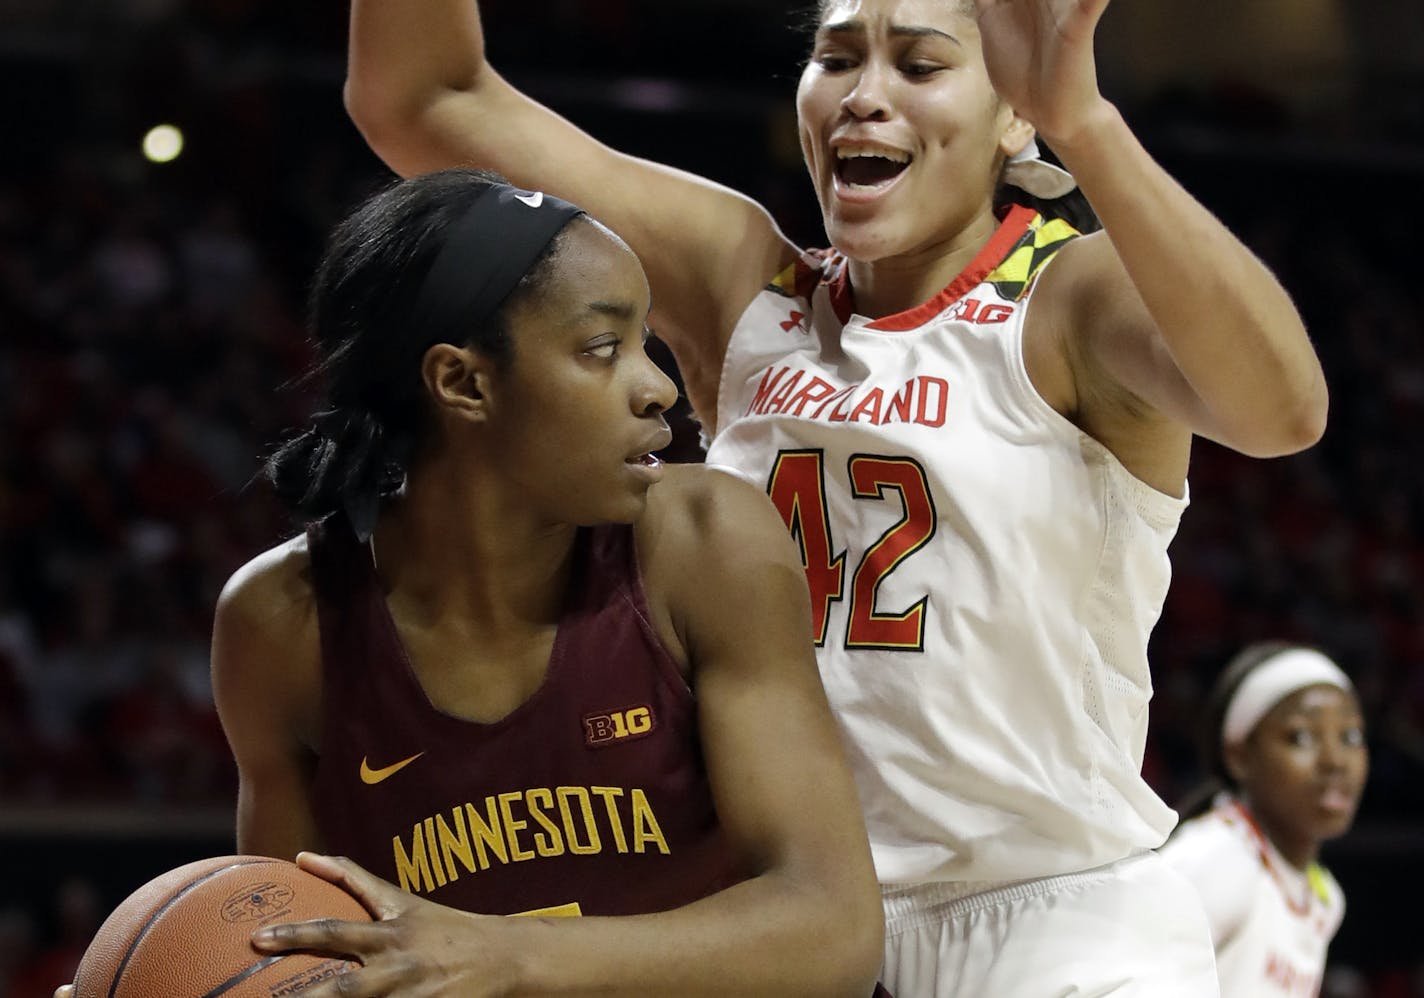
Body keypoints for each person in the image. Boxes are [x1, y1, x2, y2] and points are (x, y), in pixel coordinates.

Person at [343, 0, 1330, 993]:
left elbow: (1279, 410)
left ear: (1011, 116)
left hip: (1058, 923)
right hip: (794, 924)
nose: (863, 97)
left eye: (918, 64)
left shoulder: (1068, 296)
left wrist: (1085, 120)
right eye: (835, 58)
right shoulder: (745, 281)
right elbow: (423, 101)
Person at [57, 168, 886, 998]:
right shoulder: (283, 625)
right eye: (604, 349)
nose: (659, 387)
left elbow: (834, 931)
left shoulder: (703, 539)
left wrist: (504, 960)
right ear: (462, 382)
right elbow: (291, 960)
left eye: (646, 342)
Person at [1159, 643, 1369, 998]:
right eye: (1301, 737)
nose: (1335, 761)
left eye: (1350, 736)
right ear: (1239, 755)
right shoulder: (1219, 858)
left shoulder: (1323, 898)